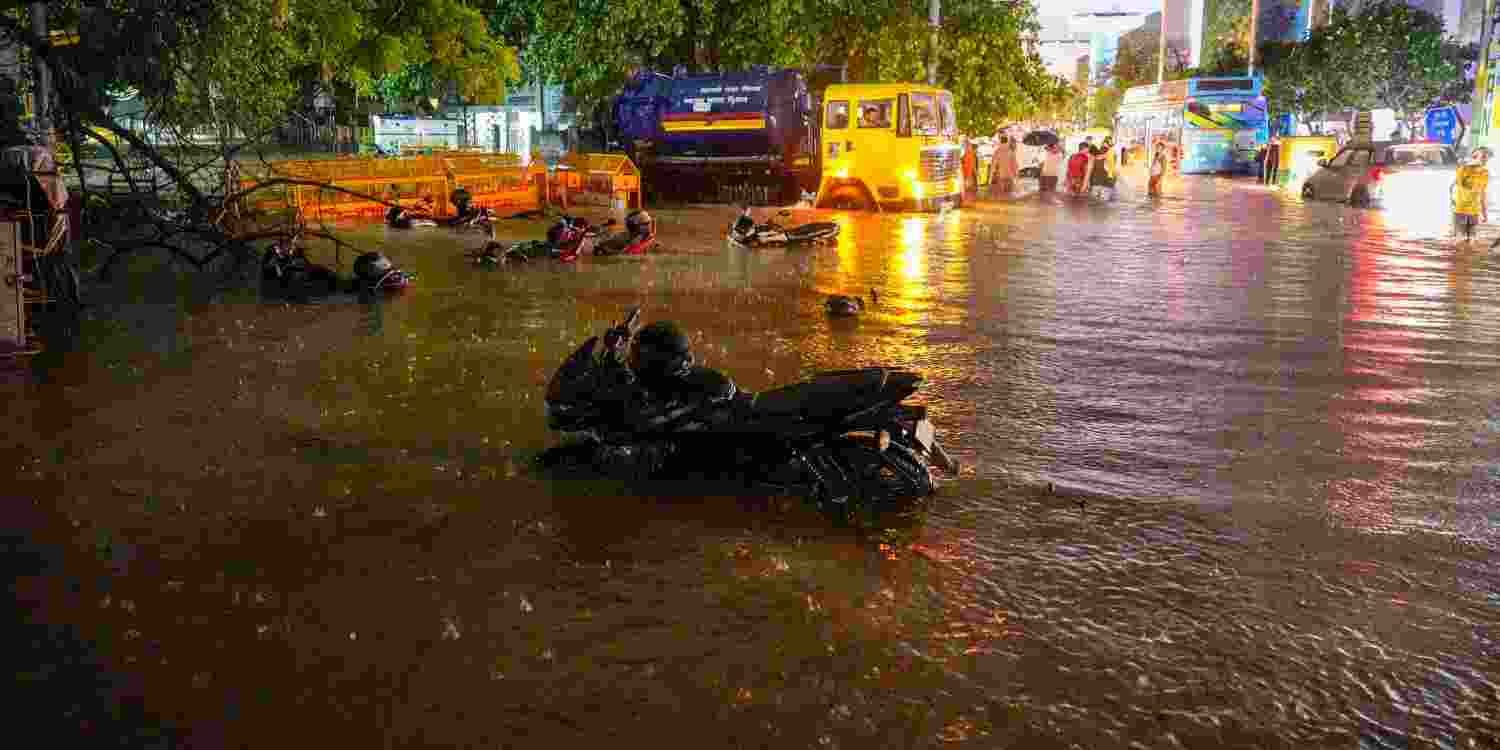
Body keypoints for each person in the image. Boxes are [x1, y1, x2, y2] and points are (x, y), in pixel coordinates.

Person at [1452, 147, 1491, 243]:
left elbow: (1483, 194)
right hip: (1460, 211)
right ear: (1473, 157)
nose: (1485, 160)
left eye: (1486, 158)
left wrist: (1484, 213)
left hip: (1474, 212)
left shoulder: (1484, 173)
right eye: (1483, 157)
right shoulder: (1463, 169)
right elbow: (1457, 186)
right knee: (1459, 240)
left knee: (1472, 241)